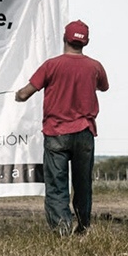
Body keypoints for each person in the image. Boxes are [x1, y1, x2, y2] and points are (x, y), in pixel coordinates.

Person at [15, 20, 109, 236]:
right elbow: (103, 86)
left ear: (65, 38)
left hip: (56, 133)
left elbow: (25, 93)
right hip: (85, 132)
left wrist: (17, 96)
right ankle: (83, 226)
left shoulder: (52, 65)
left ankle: (62, 230)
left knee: (57, 185)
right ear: (86, 42)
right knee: (82, 183)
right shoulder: (95, 66)